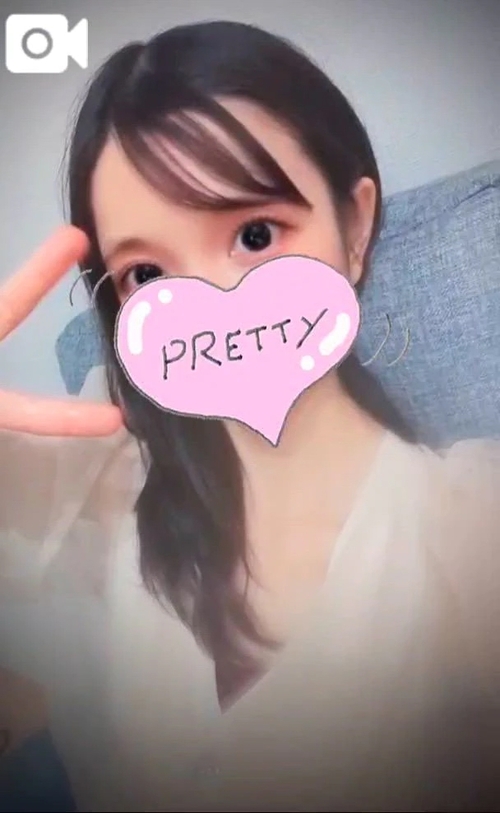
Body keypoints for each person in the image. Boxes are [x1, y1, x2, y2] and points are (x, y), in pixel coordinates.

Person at [1, 20, 499, 813]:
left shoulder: (470, 523)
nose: (209, 304)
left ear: (356, 226)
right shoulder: (93, 462)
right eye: (147, 273)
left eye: (254, 234)